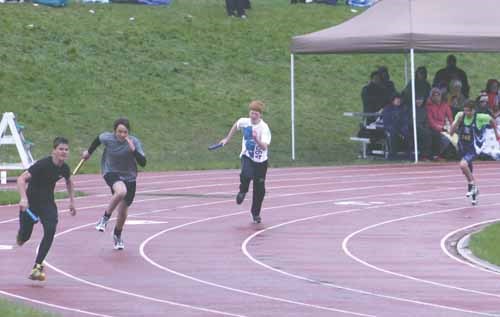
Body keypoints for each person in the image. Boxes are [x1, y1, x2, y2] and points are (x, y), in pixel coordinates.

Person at [16, 137, 76, 281]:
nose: (64, 152)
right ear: (54, 150)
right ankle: (21, 235)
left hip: (48, 203)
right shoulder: (42, 164)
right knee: (25, 237)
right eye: (60, 149)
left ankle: (37, 266)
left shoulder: (64, 168)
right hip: (30, 204)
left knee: (50, 230)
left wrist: (72, 201)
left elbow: (69, 182)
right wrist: (23, 199)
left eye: (66, 149)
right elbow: (21, 179)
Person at [82, 118, 146, 250]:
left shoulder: (134, 142)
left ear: (128, 132)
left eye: (125, 132)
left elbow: (143, 163)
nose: (122, 135)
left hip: (130, 177)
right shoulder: (108, 138)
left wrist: (133, 150)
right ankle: (104, 218)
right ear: (114, 131)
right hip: (111, 172)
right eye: (119, 132)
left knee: (123, 212)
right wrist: (88, 153)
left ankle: (117, 234)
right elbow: (97, 140)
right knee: (121, 191)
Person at [219, 100, 271, 224]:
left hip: (261, 161)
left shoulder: (264, 128)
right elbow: (236, 125)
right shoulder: (244, 121)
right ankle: (243, 190)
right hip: (247, 156)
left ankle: (255, 213)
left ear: (260, 115)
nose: (253, 116)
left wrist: (256, 139)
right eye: (251, 113)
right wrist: (227, 139)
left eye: (256, 114)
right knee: (246, 174)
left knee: (260, 190)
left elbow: (264, 147)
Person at [450, 100, 500, 205]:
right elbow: (451, 132)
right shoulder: (460, 115)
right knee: (467, 170)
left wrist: (496, 133)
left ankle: (473, 186)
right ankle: (474, 194)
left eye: (469, 111)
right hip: (462, 146)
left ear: (473, 111)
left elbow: (492, 121)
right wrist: (458, 122)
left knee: (463, 165)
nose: (466, 113)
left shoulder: (480, 117)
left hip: (474, 148)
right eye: (465, 111)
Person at [426, 88, 455, 160]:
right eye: (434, 95)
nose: (437, 97)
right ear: (431, 97)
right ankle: (438, 154)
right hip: (435, 128)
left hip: (446, 127)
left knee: (455, 137)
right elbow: (431, 122)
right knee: (445, 139)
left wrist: (452, 126)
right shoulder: (428, 107)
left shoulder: (445, 105)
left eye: (438, 95)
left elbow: (450, 117)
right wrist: (441, 128)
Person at [382, 94, 410, 159]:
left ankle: (408, 153)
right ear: (392, 100)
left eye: (399, 99)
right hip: (391, 128)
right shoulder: (387, 109)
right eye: (397, 99)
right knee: (393, 133)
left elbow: (405, 120)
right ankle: (393, 154)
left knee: (407, 132)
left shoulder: (404, 108)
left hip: (401, 127)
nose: (398, 100)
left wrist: (404, 127)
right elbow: (386, 122)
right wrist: (395, 129)